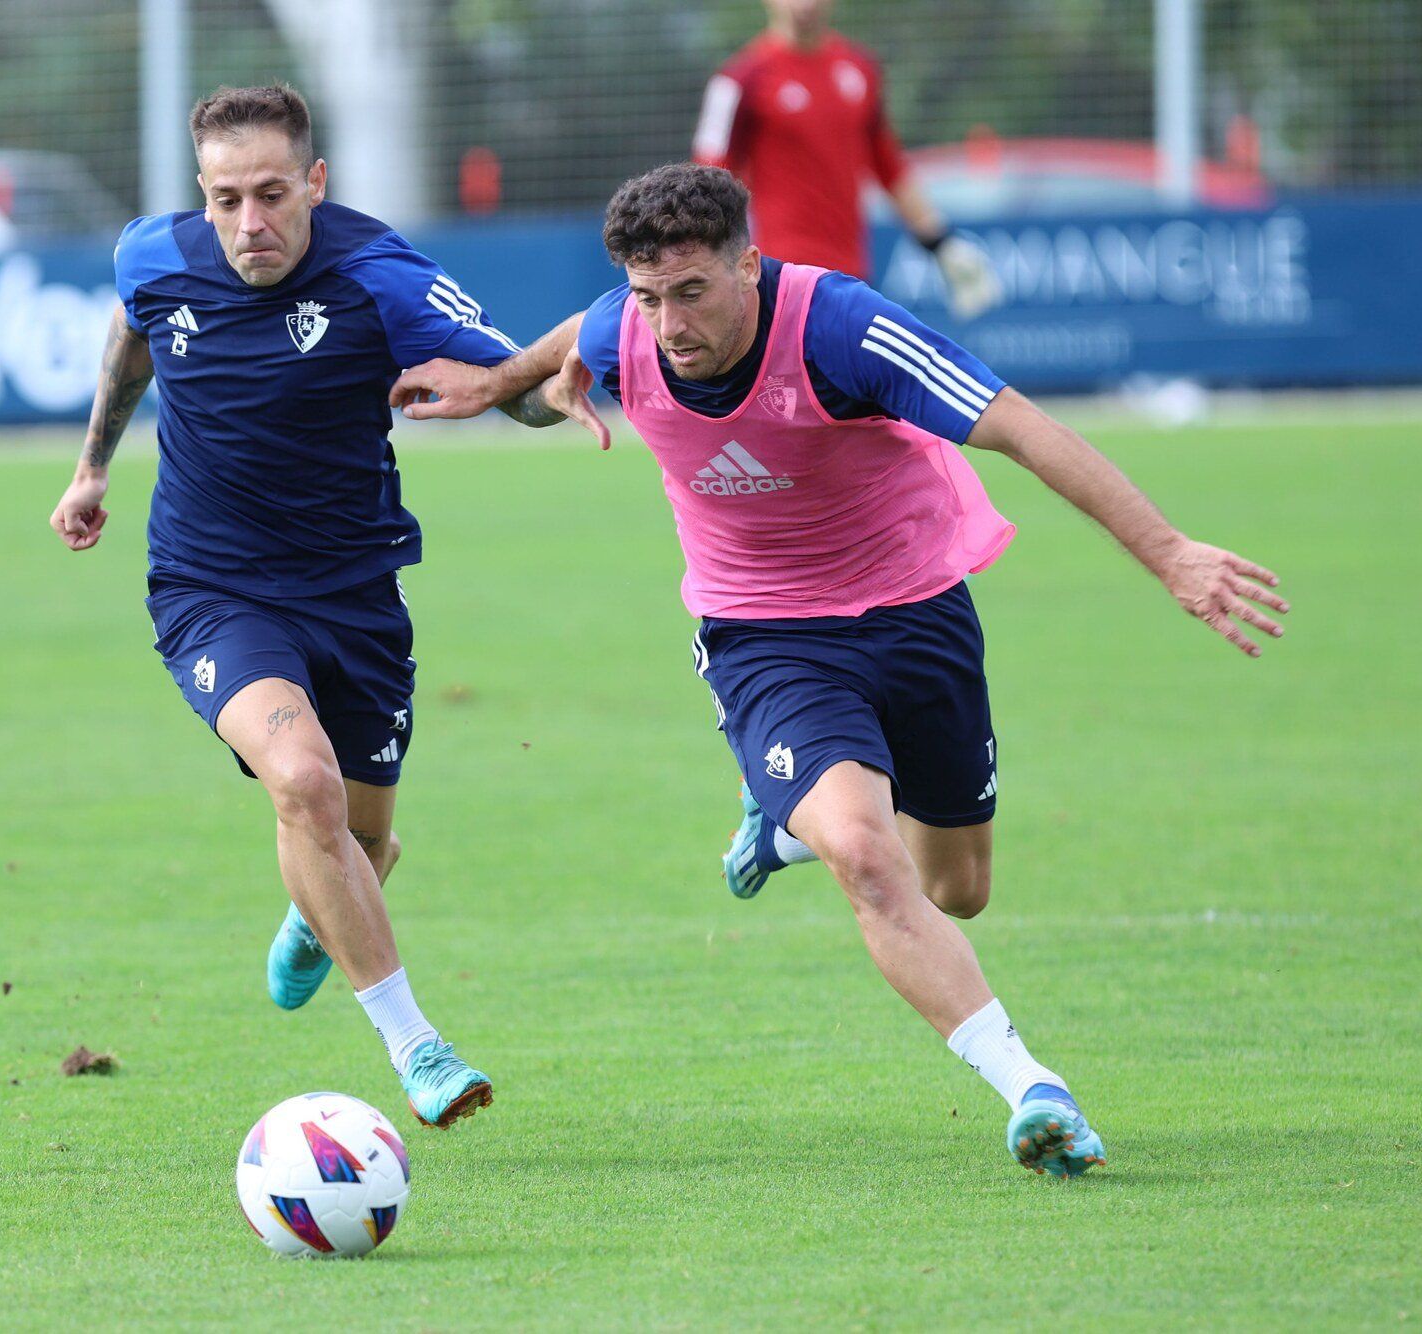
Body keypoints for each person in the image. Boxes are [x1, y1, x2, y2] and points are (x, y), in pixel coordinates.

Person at [389, 164, 1288, 1176]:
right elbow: (580, 334)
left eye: (693, 293)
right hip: (763, 633)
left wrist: (1167, 552)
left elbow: (1022, 431)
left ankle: (780, 820)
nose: (668, 324)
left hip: (913, 610)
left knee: (957, 885)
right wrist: (499, 380)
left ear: (750, 265)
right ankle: (1030, 1085)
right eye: (649, 297)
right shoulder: (627, 326)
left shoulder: (840, 330)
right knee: (866, 854)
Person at [49, 85, 562, 1128]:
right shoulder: (154, 253)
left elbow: (506, 374)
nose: (250, 222)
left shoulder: (378, 274)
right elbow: (133, 333)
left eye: (273, 193)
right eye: (226, 198)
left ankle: (312, 908)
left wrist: (558, 388)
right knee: (302, 783)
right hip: (211, 589)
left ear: (314, 183)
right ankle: (418, 1046)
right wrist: (90, 467)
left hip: (354, 596)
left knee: (360, 844)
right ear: (200, 193)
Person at [694, 0, 1000, 316]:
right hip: (780, 277)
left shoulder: (860, 69)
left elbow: (887, 165)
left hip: (850, 275)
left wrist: (941, 242)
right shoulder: (738, 80)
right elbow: (708, 179)